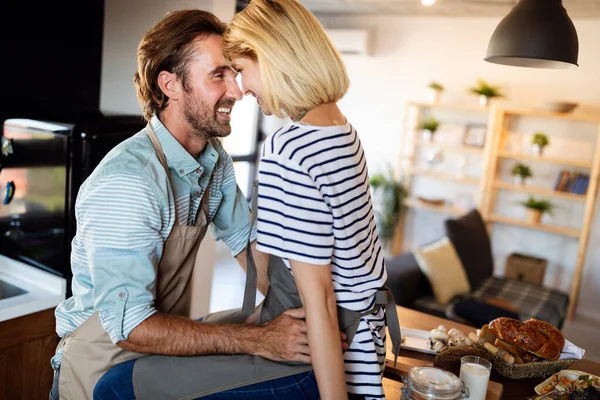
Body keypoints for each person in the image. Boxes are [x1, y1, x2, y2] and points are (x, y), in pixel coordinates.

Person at [49, 9, 337, 400]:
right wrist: (258, 340)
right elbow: (131, 327)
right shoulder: (129, 182)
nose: (236, 91)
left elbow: (251, 250)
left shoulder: (213, 159)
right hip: (101, 365)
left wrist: (308, 319)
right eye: (218, 75)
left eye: (234, 73)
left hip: (157, 362)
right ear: (170, 84)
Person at [223, 1, 392, 399]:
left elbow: (321, 300)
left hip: (316, 366)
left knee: (118, 387)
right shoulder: (342, 131)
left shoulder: (290, 147)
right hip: (365, 349)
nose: (242, 89)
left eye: (243, 70)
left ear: (272, 58)